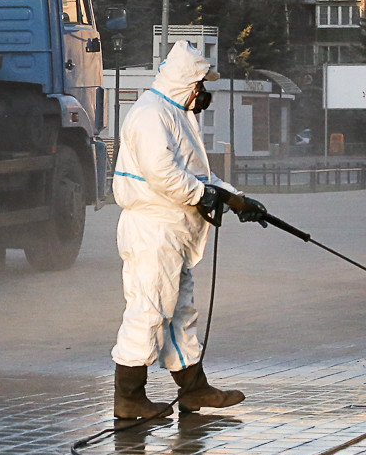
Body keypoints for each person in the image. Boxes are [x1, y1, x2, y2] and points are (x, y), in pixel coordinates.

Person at [111, 41, 268, 419]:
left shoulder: (176, 114)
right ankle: (129, 396)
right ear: (186, 83)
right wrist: (205, 195)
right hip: (153, 228)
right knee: (148, 310)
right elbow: (164, 175)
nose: (204, 93)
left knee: (179, 310)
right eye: (201, 85)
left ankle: (194, 390)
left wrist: (234, 198)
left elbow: (197, 173)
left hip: (173, 229)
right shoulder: (151, 115)